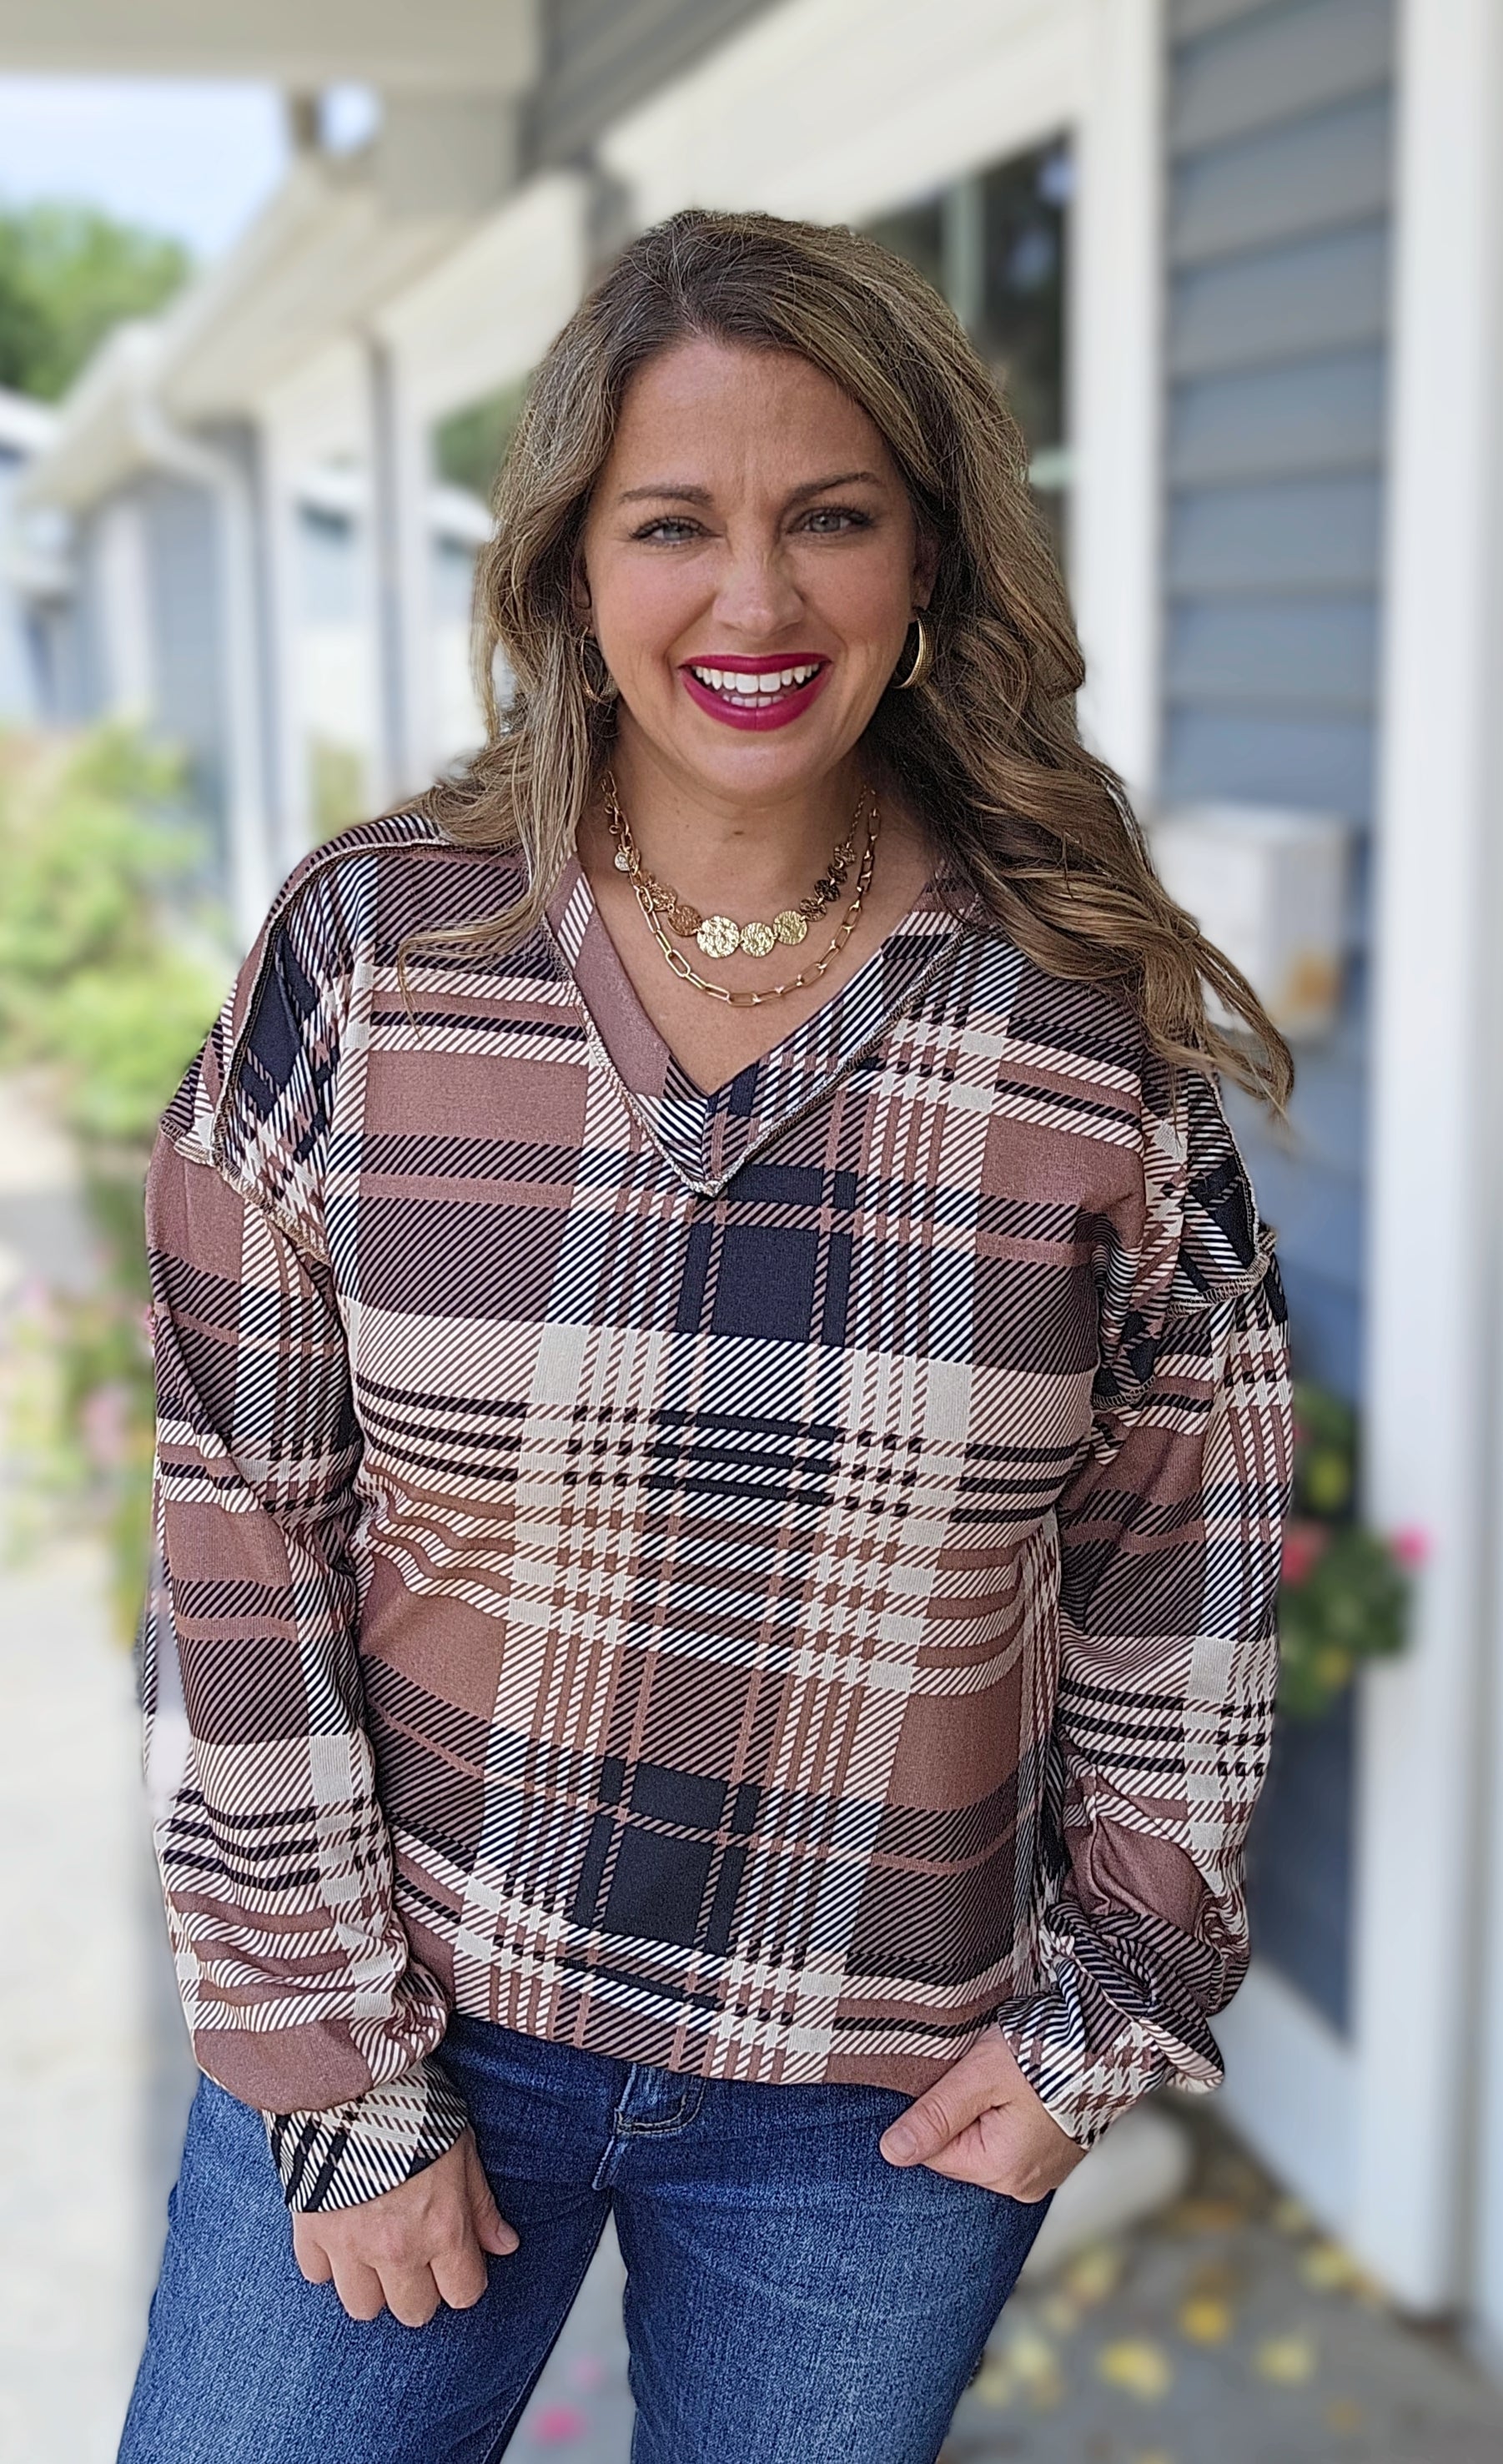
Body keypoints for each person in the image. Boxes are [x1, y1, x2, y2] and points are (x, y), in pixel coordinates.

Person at [119, 208, 1293, 2464]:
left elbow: (1185, 1567)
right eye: (673, 524)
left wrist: (1101, 2019)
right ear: (570, 571)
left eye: (828, 518)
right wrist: (335, 2063)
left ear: (927, 561)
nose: (753, 602)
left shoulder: (1083, 1039)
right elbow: (235, 1520)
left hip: (877, 2107)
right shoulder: (376, 959)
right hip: (424, 2014)